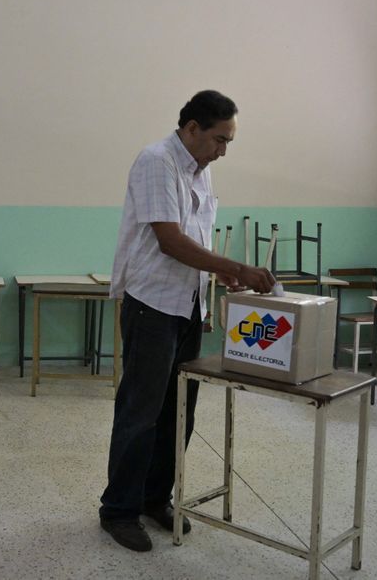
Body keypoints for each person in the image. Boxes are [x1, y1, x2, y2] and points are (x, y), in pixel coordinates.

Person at [99, 90, 275, 552]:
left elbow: (195, 237)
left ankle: (154, 498)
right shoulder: (157, 161)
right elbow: (170, 241)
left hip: (188, 305)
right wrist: (239, 268)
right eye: (219, 139)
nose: (223, 150)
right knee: (141, 412)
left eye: (228, 142)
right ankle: (118, 509)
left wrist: (218, 270)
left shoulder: (200, 171)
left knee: (179, 410)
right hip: (152, 304)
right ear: (191, 127)